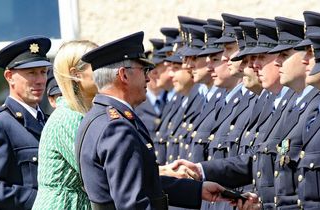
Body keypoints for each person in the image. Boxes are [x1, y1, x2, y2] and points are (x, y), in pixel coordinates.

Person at [75, 31, 238, 209]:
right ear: (124, 75)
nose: (148, 77)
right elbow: (133, 203)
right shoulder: (116, 127)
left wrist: (196, 190)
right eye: (143, 70)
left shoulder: (98, 117)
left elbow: (144, 182)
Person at [0, 36, 51, 210]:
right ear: (9, 76)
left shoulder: (49, 122)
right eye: (31, 73)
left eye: (43, 72)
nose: (40, 80)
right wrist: (40, 200)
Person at [32, 40, 98, 210]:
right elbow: (96, 171)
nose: (105, 71)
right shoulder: (69, 117)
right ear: (76, 74)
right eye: (97, 65)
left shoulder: (77, 114)